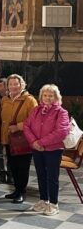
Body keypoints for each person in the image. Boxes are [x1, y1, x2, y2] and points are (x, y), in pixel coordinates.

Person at [23, 84, 71, 216]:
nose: (47, 98)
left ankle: (54, 204)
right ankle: (44, 200)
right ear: (41, 96)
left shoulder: (61, 112)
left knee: (52, 177)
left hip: (53, 150)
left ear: (56, 97)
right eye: (45, 95)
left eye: (51, 95)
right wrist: (33, 142)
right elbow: (26, 126)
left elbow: (61, 132)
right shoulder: (36, 110)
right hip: (37, 148)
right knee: (41, 175)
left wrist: (40, 142)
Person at [0, 74, 38, 204]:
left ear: (22, 85)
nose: (13, 86)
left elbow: (34, 120)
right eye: (10, 84)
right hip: (8, 139)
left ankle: (22, 192)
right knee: (13, 166)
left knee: (22, 167)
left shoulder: (30, 100)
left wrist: (18, 127)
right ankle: (16, 190)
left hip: (23, 139)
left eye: (16, 84)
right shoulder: (4, 99)